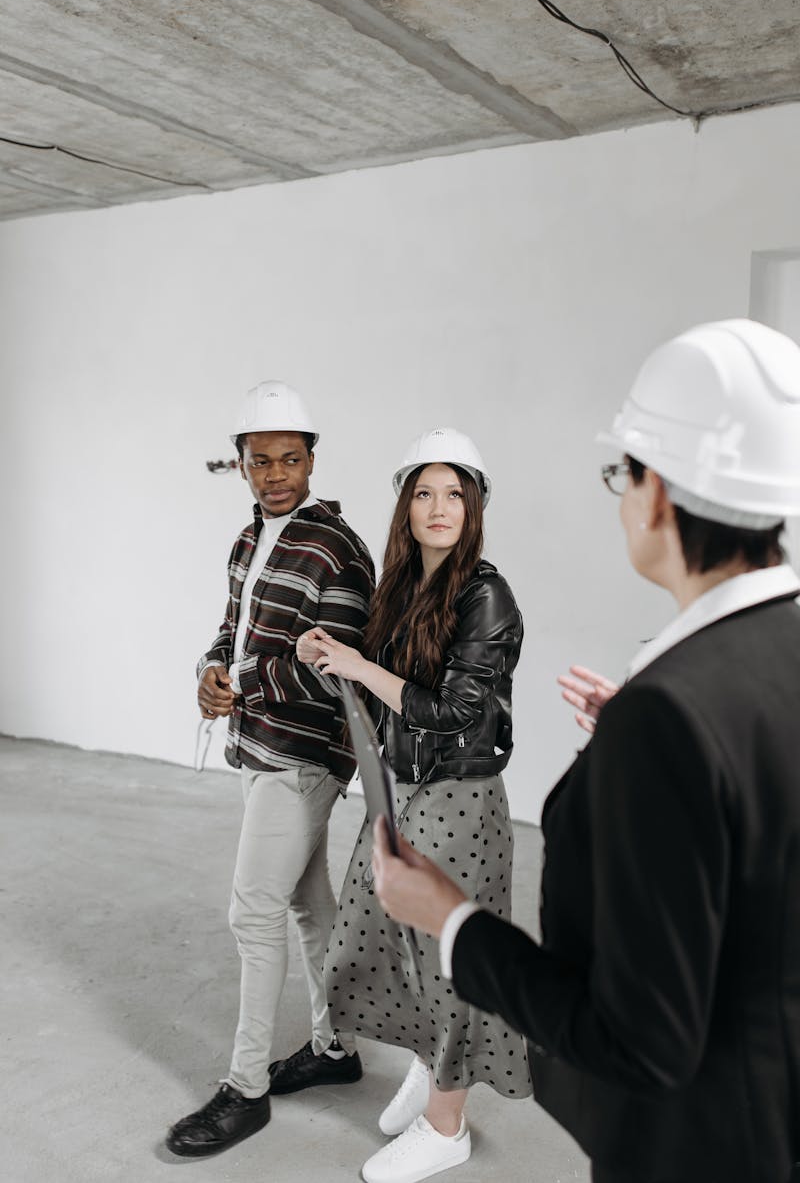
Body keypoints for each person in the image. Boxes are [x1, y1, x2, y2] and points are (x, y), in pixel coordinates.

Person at [369, 320, 800, 1183]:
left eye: (622, 474)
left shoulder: (673, 713)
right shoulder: (753, 664)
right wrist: (642, 748)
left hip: (708, 1150)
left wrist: (452, 921)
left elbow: (639, 1043)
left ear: (659, 495)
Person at [274, 427, 532, 1183]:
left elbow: (451, 710)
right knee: (381, 939)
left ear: (474, 505)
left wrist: (359, 663)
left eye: (455, 493)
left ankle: (446, 1125)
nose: (439, 506)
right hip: (404, 789)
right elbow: (388, 704)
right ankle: (430, 1062)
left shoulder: (486, 594)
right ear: (405, 506)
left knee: (452, 962)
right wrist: (330, 661)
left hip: (460, 798)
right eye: (424, 492)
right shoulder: (403, 587)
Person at [166, 381, 374, 1157]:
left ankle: (245, 1089)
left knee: (252, 911)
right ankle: (336, 1047)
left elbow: (336, 666)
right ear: (241, 466)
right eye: (261, 461)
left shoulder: (338, 550)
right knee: (308, 909)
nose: (276, 473)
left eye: (291, 458)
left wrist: (246, 679)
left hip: (305, 757)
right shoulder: (250, 541)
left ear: (313, 460)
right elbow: (232, 630)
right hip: (254, 749)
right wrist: (211, 671)